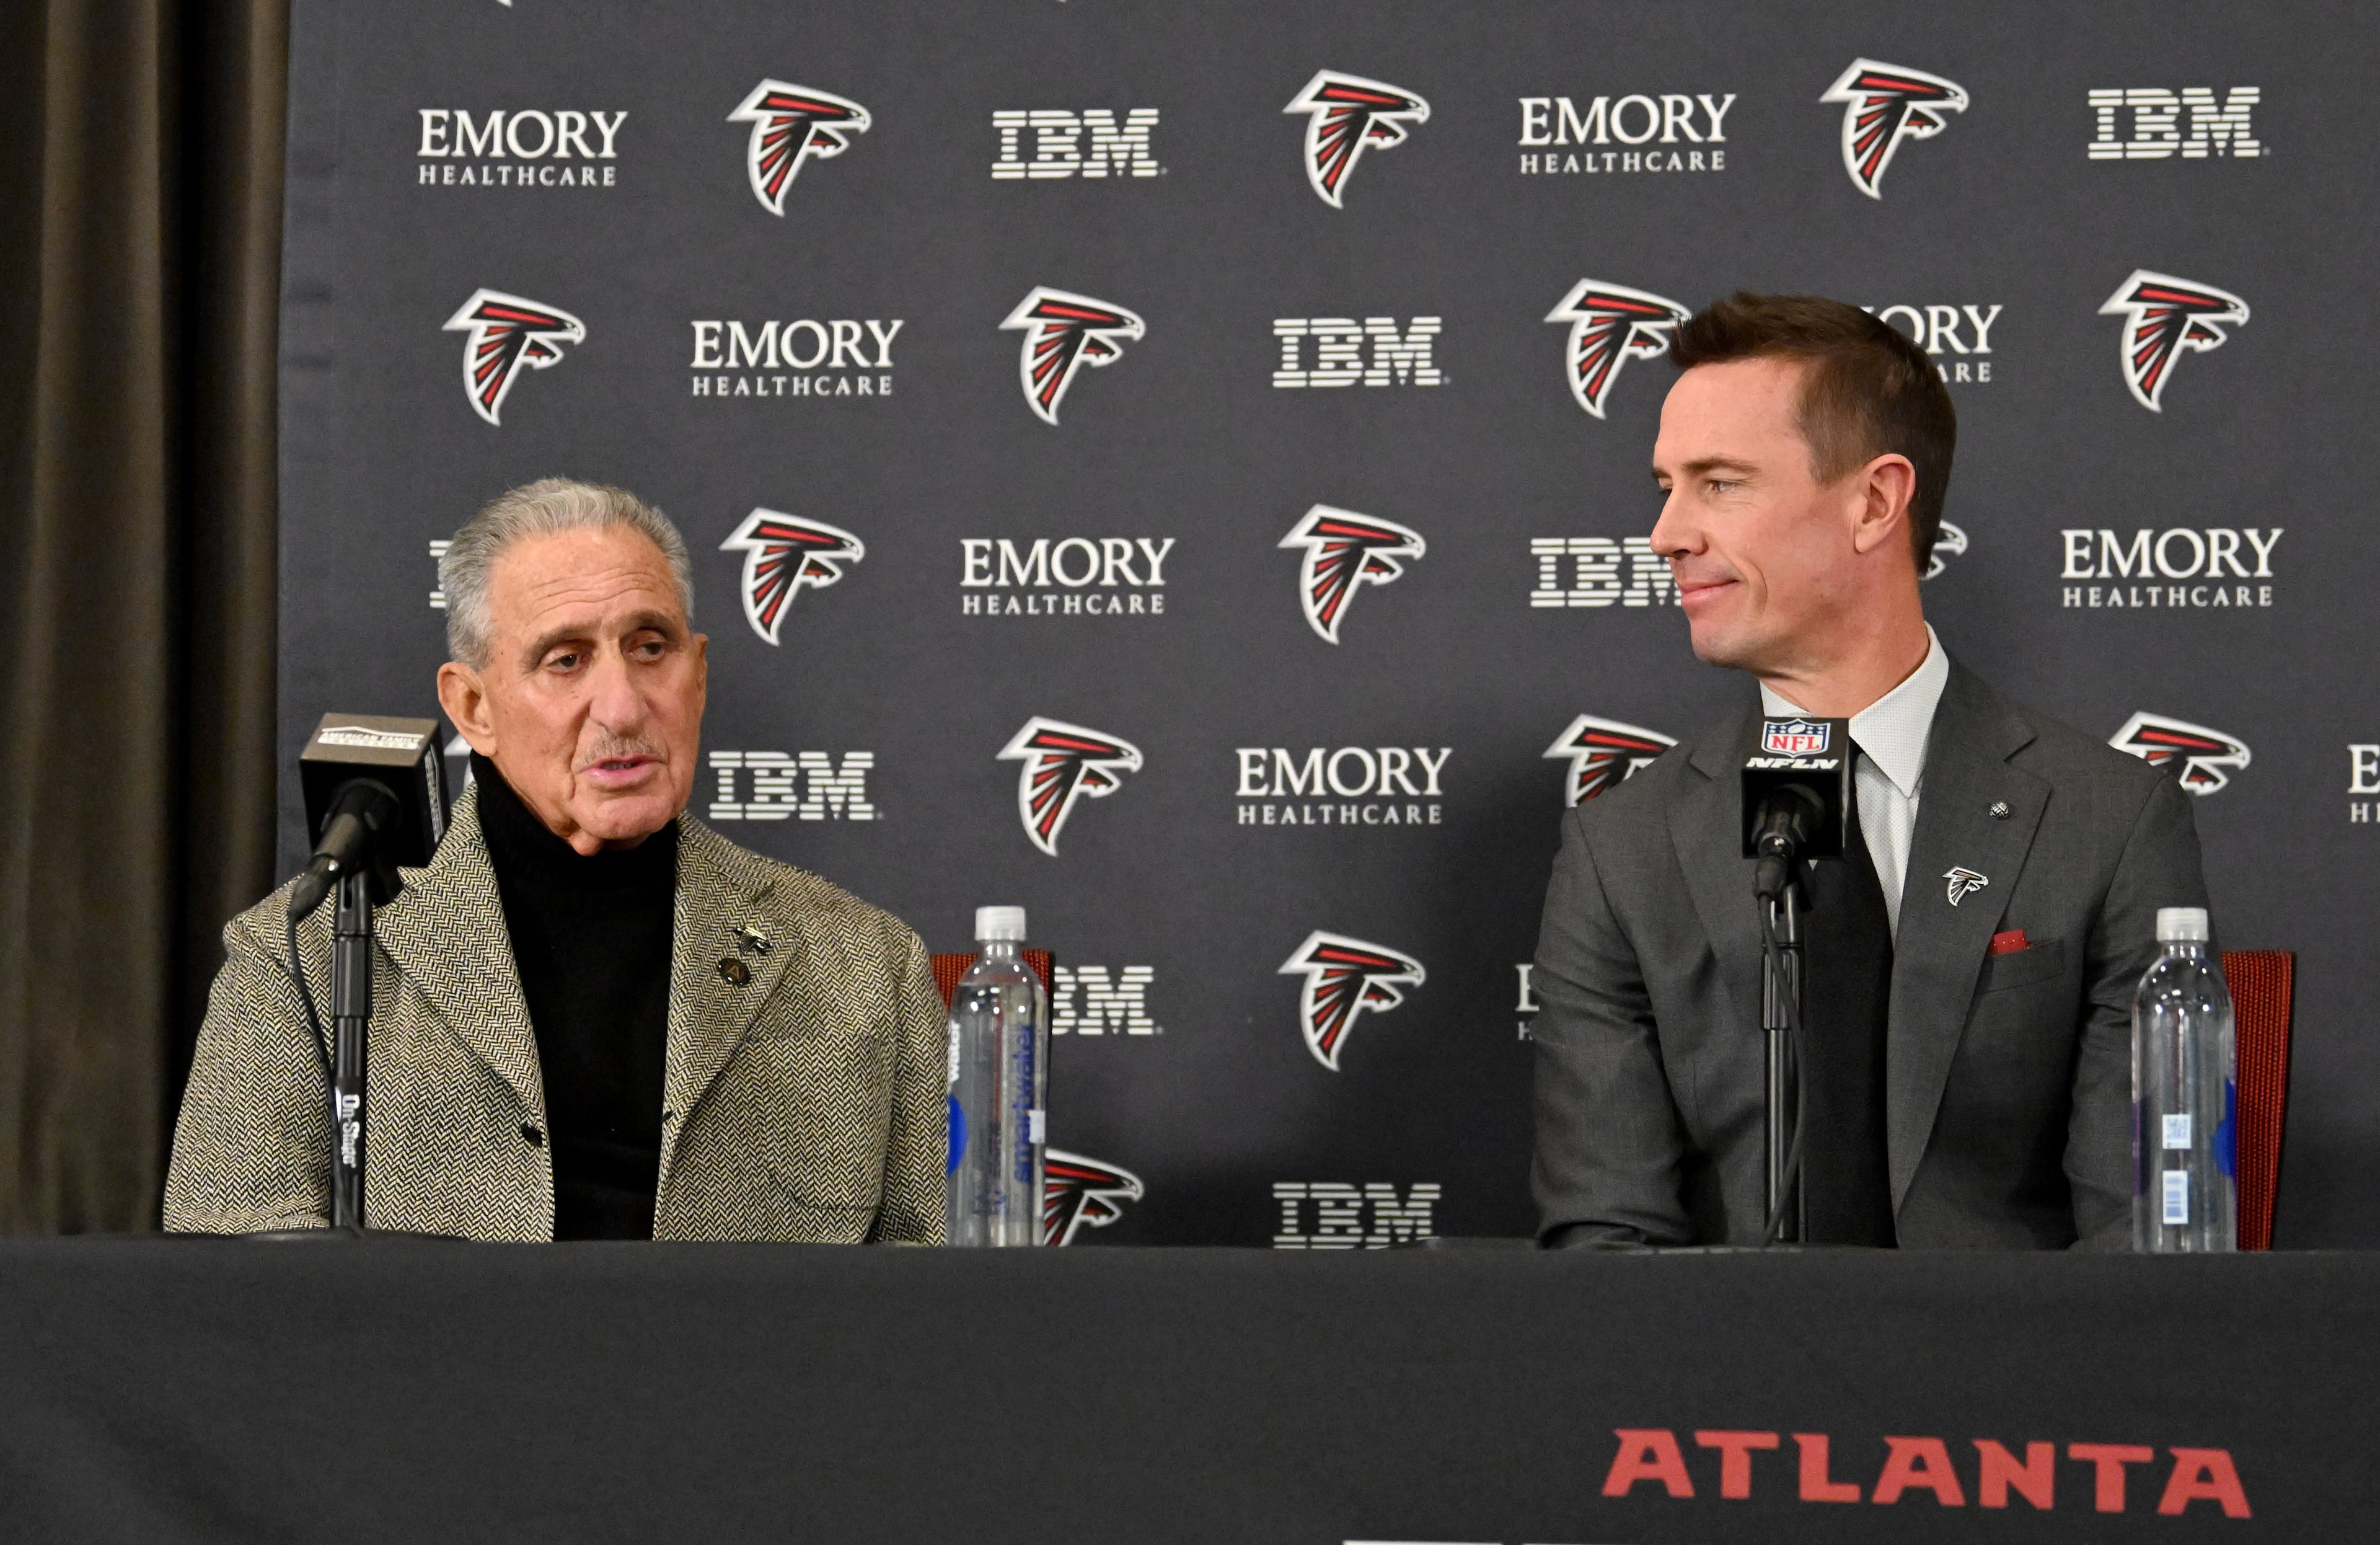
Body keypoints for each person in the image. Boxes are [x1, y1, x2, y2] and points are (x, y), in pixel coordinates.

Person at [1530, 294, 2208, 1251]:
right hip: (1729, 1391)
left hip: (2016, 1385)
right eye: (1665, 487)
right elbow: (1606, 1241)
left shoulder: (2109, 819)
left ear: (1875, 502)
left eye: (1720, 484)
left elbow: (2141, 1241)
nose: (1668, 534)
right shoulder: (1622, 851)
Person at [167, 479, 946, 1241]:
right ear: (474, 708)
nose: (623, 704)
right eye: (566, 660)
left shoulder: (869, 969)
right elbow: (233, 1283)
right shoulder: (299, 955)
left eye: (650, 647)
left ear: (698, 675)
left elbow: (939, 1316)